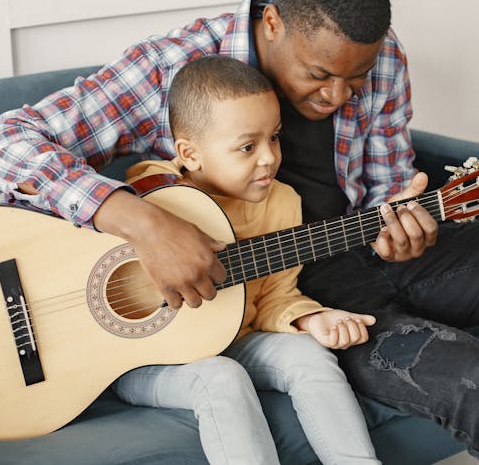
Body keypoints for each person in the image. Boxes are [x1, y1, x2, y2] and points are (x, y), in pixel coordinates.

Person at [0, 0, 479, 464]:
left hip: (369, 251)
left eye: (355, 79)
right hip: (295, 298)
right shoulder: (178, 67)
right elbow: (0, 147)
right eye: (318, 75)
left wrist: (406, 226)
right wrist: (140, 222)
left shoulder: (380, 58)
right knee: (474, 374)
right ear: (274, 23)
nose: (339, 96)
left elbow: (388, 190)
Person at [112, 54, 380, 464]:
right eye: (247, 146)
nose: (269, 158)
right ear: (190, 152)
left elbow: (274, 296)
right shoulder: (154, 193)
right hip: (140, 357)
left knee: (310, 355)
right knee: (222, 377)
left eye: (273, 138)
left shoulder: (282, 203)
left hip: (233, 338)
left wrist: (309, 318)